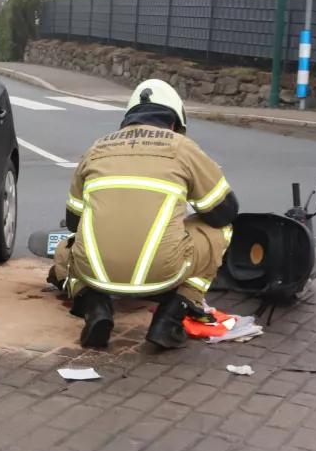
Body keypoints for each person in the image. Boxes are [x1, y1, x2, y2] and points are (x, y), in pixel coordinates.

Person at [51, 79, 238, 349]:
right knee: (221, 231)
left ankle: (95, 307)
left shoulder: (96, 149)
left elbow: (74, 222)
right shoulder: (182, 148)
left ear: (128, 121)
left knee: (65, 250)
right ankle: (173, 314)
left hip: (95, 272)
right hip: (163, 271)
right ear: (174, 124)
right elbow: (225, 213)